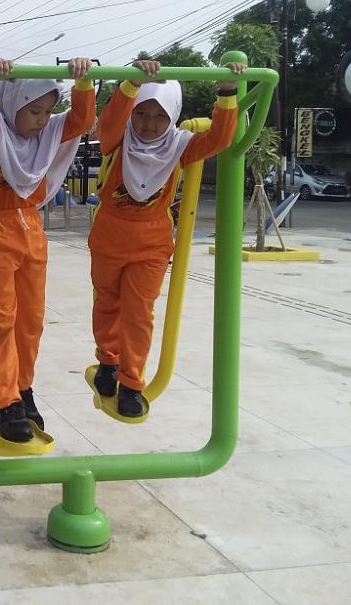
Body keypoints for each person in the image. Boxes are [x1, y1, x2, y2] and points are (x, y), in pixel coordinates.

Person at [88, 60, 244, 418]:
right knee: (107, 302)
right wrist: (131, 83)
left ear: (173, 116)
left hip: (151, 241)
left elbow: (220, 138)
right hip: (109, 234)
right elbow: (110, 121)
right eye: (142, 113)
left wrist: (226, 92)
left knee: (139, 312)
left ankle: (131, 382)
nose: (149, 124)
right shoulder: (117, 140)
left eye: (160, 117)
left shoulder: (180, 146)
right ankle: (108, 362)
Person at [0, 56, 96, 442]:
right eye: (34, 111)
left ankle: (24, 389)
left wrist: (83, 82)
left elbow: (81, 121)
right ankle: (6, 401)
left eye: (48, 110)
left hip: (30, 227)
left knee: (31, 321)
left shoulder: (45, 138)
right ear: (12, 106)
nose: (43, 119)